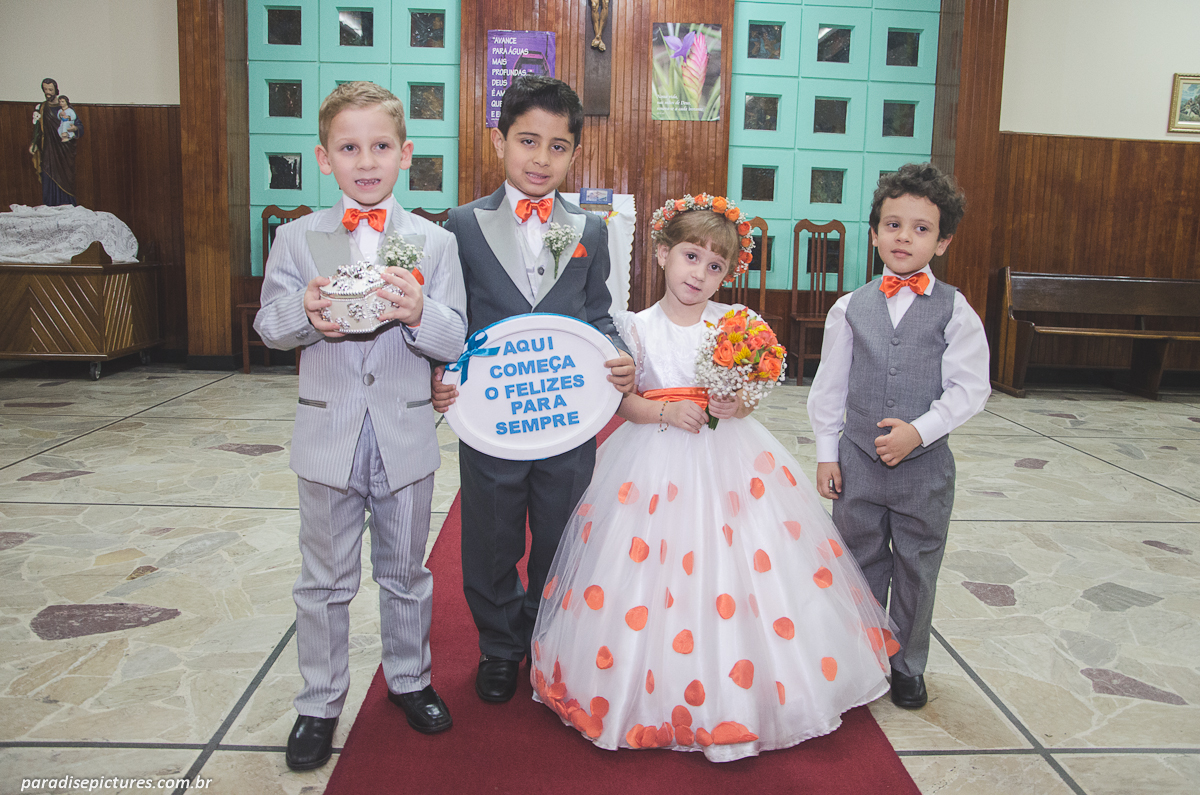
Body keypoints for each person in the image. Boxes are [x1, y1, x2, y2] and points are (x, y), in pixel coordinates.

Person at [528, 193, 897, 762]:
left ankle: (748, 687)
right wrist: (664, 410)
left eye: (715, 266)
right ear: (662, 254)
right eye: (690, 256)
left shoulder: (737, 324)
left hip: (731, 460)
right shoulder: (633, 327)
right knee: (642, 572)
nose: (699, 274)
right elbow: (621, 402)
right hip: (651, 461)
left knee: (744, 566)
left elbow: (750, 394)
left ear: (728, 274)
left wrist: (735, 404)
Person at [253, 81, 467, 771]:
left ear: (405, 154)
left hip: (405, 435)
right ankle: (319, 703)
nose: (366, 161)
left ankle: (409, 679)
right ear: (324, 158)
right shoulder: (296, 238)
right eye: (349, 148)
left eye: (380, 146)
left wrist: (419, 313)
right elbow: (268, 325)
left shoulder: (434, 243)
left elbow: (456, 336)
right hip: (328, 435)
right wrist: (304, 313)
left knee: (405, 572)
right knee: (323, 580)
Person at [431, 75, 636, 705]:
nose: (541, 158)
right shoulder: (461, 226)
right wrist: (441, 373)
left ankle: (548, 633)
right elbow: (449, 318)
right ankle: (499, 646)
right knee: (491, 533)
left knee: (561, 530)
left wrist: (619, 355)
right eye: (527, 141)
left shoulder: (589, 230)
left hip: (568, 414)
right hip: (492, 414)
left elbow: (597, 314)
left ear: (574, 153)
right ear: (500, 142)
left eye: (557, 146)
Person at [807, 162, 990, 710]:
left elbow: (970, 388)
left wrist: (920, 431)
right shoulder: (849, 308)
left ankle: (907, 665)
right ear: (874, 234)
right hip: (858, 464)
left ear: (943, 242)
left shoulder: (955, 309)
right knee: (859, 561)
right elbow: (829, 388)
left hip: (923, 470)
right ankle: (864, 656)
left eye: (921, 228)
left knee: (917, 567)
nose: (904, 237)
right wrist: (826, 454)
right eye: (893, 225)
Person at [29, 78, 76, 206]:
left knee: (65, 177)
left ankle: (66, 204)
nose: (48, 92)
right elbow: (38, 129)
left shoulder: (65, 107)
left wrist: (74, 129)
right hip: (48, 148)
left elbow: (77, 126)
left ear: (56, 90)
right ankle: (50, 205)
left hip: (63, 149)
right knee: (47, 175)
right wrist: (34, 143)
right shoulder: (42, 108)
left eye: (50, 89)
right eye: (45, 89)